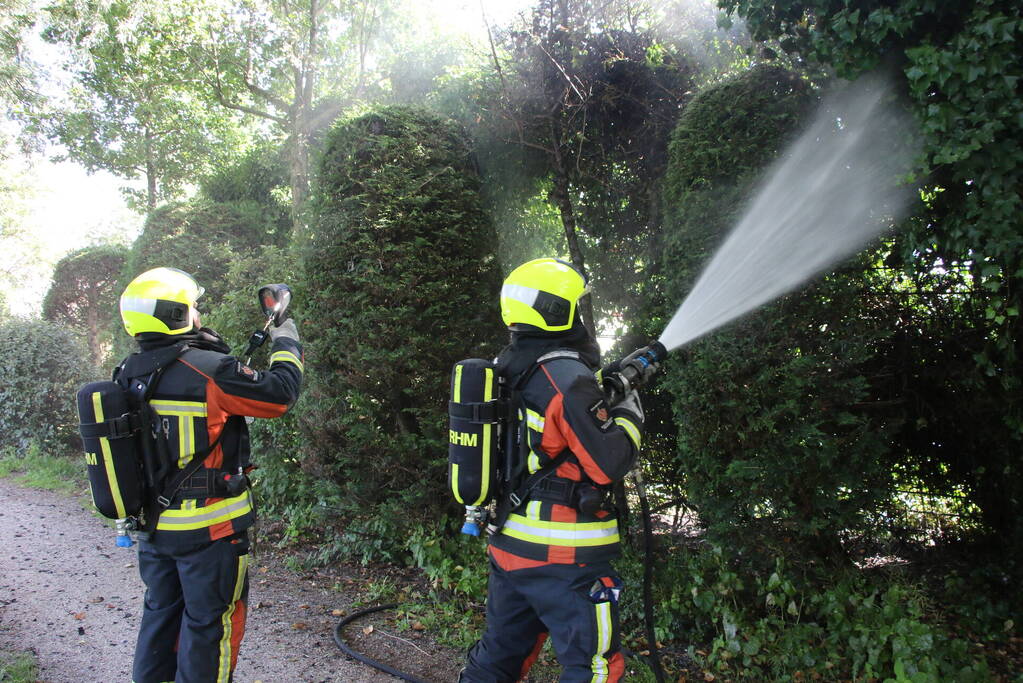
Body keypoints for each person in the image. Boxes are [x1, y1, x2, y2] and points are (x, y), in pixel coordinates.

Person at [115, 267, 303, 683]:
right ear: (177, 314)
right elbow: (281, 394)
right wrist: (285, 338)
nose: (198, 314)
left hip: (153, 528)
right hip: (210, 531)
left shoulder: (127, 372)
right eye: (193, 307)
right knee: (210, 627)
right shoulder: (209, 370)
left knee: (161, 619)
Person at [461, 258, 644, 683]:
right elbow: (608, 463)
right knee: (593, 667)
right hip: (567, 559)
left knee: (500, 655)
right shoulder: (565, 376)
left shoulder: (507, 366)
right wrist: (628, 404)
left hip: (510, 547)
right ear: (557, 311)